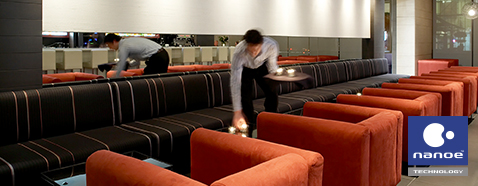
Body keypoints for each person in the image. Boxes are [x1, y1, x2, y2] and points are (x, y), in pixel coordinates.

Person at [230, 29, 279, 131]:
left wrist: (277, 77)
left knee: (272, 92)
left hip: (262, 67)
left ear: (261, 44)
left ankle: (270, 122)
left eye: (256, 50)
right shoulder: (239, 52)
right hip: (245, 70)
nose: (253, 53)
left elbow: (272, 66)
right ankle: (248, 129)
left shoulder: (271, 45)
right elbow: (235, 83)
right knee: (246, 99)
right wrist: (237, 112)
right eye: (251, 50)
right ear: (246, 45)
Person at [104, 33, 169, 77]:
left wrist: (113, 80)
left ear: (114, 41)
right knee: (158, 79)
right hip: (162, 54)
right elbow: (137, 61)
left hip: (157, 57)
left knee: (148, 79)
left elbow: (121, 65)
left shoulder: (123, 47)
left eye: (108, 45)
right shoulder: (127, 42)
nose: (110, 47)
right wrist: (129, 64)